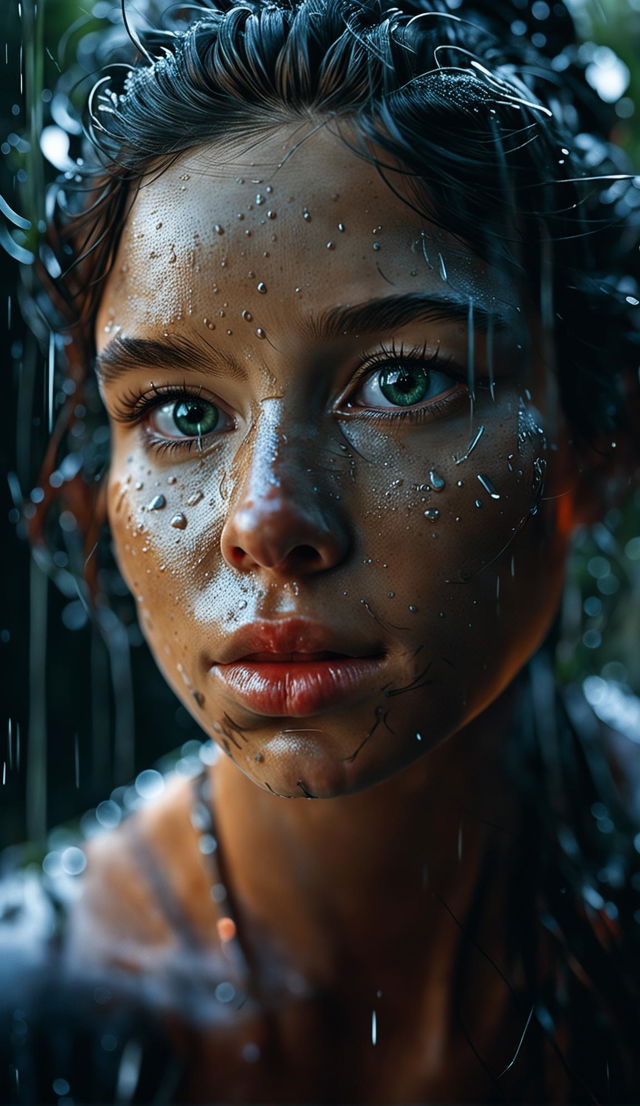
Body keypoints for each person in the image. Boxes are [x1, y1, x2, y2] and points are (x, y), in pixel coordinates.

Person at [2, 0, 640, 1101]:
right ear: (94, 481)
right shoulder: (35, 1016)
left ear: (597, 438)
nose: (267, 519)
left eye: (401, 380)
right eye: (180, 411)